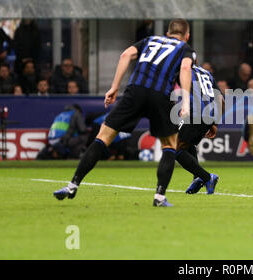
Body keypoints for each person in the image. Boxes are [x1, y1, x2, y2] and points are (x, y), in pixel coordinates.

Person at [53, 18, 196, 207]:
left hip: (134, 91)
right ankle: (159, 197)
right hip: (160, 96)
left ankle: (73, 185)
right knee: (169, 144)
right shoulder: (186, 49)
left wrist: (114, 87)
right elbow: (185, 68)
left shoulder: (150, 40)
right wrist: (185, 102)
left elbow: (126, 55)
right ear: (186, 36)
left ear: (168, 33)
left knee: (103, 137)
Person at [174, 64, 223, 194]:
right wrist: (215, 123)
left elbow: (167, 89)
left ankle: (206, 177)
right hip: (208, 115)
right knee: (187, 144)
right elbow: (220, 98)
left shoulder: (180, 68)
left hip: (196, 113)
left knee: (176, 148)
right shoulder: (206, 73)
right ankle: (197, 178)